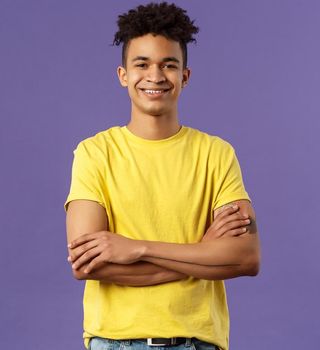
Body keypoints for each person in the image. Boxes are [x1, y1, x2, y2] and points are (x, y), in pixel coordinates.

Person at [64, 2, 260, 350]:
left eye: (168, 65)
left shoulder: (216, 153)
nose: (155, 76)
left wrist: (136, 248)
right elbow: (87, 265)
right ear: (123, 74)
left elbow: (245, 258)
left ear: (185, 76)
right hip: (115, 342)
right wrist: (202, 252)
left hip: (198, 342)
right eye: (142, 64)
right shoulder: (95, 152)